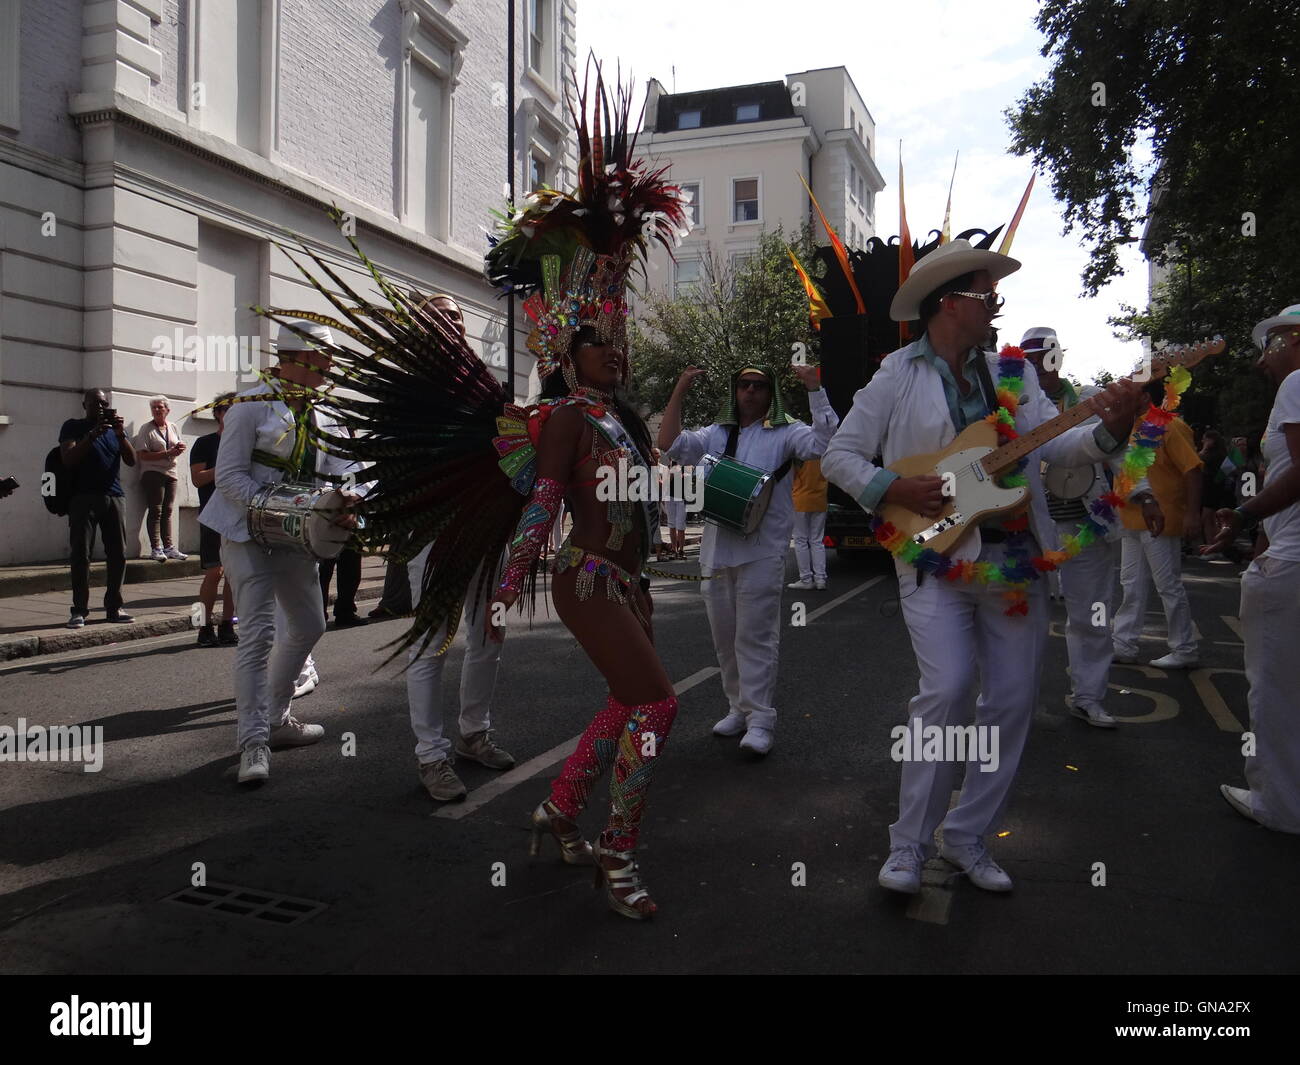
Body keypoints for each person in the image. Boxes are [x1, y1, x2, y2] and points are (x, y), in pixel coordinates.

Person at [820, 239, 1142, 894]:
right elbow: (840, 456)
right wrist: (892, 488)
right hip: (934, 552)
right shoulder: (895, 375)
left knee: (1014, 701)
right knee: (946, 689)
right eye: (983, 291)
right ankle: (908, 844)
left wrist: (1114, 425)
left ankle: (967, 835)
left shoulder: (1014, 374)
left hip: (1016, 560)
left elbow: (1065, 444)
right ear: (948, 305)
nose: (996, 301)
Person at [199, 320, 361, 785]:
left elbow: (350, 468)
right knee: (258, 634)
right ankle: (252, 741)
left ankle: (275, 718)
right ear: (300, 360)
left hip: (297, 536)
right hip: (246, 534)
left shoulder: (326, 411)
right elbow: (228, 476)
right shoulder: (250, 406)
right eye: (324, 357)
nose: (331, 365)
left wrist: (352, 498)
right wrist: (279, 509)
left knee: (310, 624)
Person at [659, 363, 838, 755]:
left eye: (759, 386)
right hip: (717, 552)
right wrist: (680, 388)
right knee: (725, 639)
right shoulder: (716, 433)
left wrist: (815, 389)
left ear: (770, 393)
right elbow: (668, 443)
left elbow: (826, 444)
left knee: (754, 638)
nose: (751, 392)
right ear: (734, 390)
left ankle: (761, 719)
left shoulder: (788, 432)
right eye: (744, 385)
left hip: (762, 550)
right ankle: (736, 708)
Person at [402, 293, 515, 803]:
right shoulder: (406, 386)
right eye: (439, 315)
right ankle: (432, 755)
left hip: (488, 531)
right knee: (432, 645)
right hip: (435, 534)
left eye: (456, 316)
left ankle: (474, 733)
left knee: (490, 636)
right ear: (421, 324)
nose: (451, 322)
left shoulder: (486, 386)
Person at [1022, 327, 1162, 728]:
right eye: (1030, 359)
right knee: (1019, 617)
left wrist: (1146, 495)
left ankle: (1088, 696)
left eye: (1046, 357)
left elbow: (1122, 456)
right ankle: (1013, 701)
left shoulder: (1088, 401)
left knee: (1092, 615)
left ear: (1058, 358)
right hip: (1032, 528)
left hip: (1085, 525)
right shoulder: (1012, 405)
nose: (1039, 366)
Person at [1206, 304, 1300, 833]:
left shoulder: (1298, 384)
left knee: (1274, 686)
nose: (1263, 363)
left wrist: (1243, 515)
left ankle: (1279, 802)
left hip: (1292, 565)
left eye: (1270, 347)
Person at [1111, 379, 1203, 669]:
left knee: (1168, 586)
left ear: (1146, 396)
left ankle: (1184, 648)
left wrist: (1192, 514)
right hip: (1130, 517)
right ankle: (1124, 644)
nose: (1124, 396)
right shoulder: (1127, 426)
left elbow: (1193, 470)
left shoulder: (1168, 426)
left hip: (1161, 518)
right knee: (1130, 586)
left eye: (1131, 392)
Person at [59, 389, 138, 628]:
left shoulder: (115, 432)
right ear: (85, 405)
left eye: (105, 403)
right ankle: (79, 610)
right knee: (81, 556)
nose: (102, 407)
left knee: (118, 555)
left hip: (114, 497)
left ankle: (114, 607)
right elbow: (68, 458)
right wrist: (92, 435)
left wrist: (121, 434)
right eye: (97, 403)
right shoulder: (73, 427)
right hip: (83, 499)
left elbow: (132, 460)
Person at [189, 392, 238, 647]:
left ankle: (227, 624)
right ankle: (202, 626)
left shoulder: (244, 443)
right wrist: (224, 469)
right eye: (227, 409)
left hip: (237, 515)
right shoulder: (204, 443)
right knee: (213, 573)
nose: (232, 413)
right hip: (211, 514)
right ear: (217, 413)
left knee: (233, 574)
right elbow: (198, 479)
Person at [134, 396, 188, 561]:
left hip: (171, 473)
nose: (157, 410)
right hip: (153, 473)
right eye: (154, 407)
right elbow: (142, 455)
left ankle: (169, 547)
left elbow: (176, 444)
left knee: (168, 510)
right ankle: (156, 548)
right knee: (156, 510)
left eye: (160, 407)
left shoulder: (172, 426)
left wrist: (180, 447)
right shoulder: (146, 429)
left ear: (167, 410)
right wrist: (167, 453)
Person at [789, 457, 830, 591]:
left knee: (800, 540)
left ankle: (806, 579)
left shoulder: (800, 454)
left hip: (800, 500)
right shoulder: (823, 454)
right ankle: (820, 579)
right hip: (820, 500)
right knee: (817, 541)